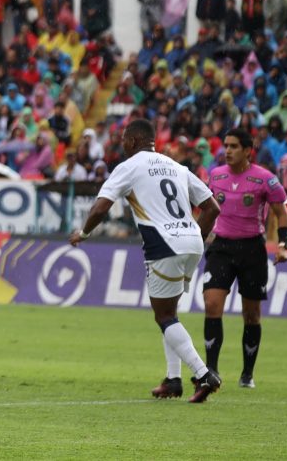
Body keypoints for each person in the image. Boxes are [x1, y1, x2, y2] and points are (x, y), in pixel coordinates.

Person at [69, 118, 222, 403]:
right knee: (170, 313)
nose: (122, 146)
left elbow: (101, 207)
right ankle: (173, 380)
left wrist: (84, 233)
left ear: (133, 140)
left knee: (164, 316)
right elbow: (212, 207)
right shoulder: (176, 166)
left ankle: (204, 374)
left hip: (163, 244)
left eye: (124, 141)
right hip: (192, 242)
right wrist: (194, 236)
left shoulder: (128, 167)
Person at [202, 128, 287, 389]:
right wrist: (198, 236)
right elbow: (206, 210)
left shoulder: (266, 179)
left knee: (251, 314)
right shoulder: (215, 175)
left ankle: (247, 373)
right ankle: (211, 370)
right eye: (226, 145)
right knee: (212, 304)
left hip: (252, 249)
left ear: (248, 150)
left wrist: (283, 245)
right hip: (221, 247)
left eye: (233, 146)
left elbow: (281, 213)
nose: (227, 150)